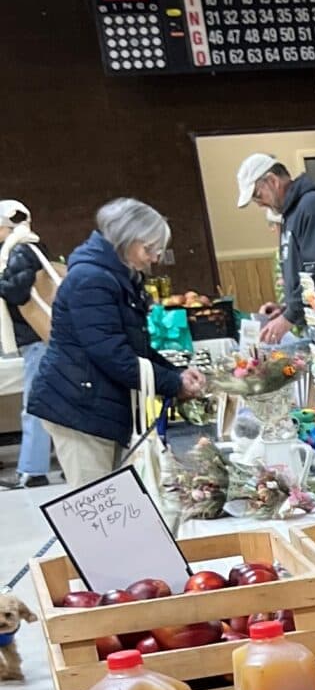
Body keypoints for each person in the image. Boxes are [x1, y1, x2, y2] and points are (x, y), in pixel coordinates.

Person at [25, 198, 206, 489]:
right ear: (126, 240)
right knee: (97, 503)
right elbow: (112, 354)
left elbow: (135, 346)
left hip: (95, 403)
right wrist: (173, 384)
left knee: (117, 500)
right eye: (149, 249)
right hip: (79, 409)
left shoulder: (117, 276)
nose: (155, 258)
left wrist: (177, 374)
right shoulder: (92, 279)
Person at [235, 151, 315, 336]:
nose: (260, 204)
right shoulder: (292, 214)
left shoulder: (313, 206)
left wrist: (289, 316)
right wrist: (285, 309)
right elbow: (302, 273)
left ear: (273, 181)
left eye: (258, 195)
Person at [0, 200, 57, 489]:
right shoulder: (31, 246)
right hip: (42, 335)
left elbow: (17, 291)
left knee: (34, 403)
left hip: (37, 336)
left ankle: (32, 470)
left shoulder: (20, 250)